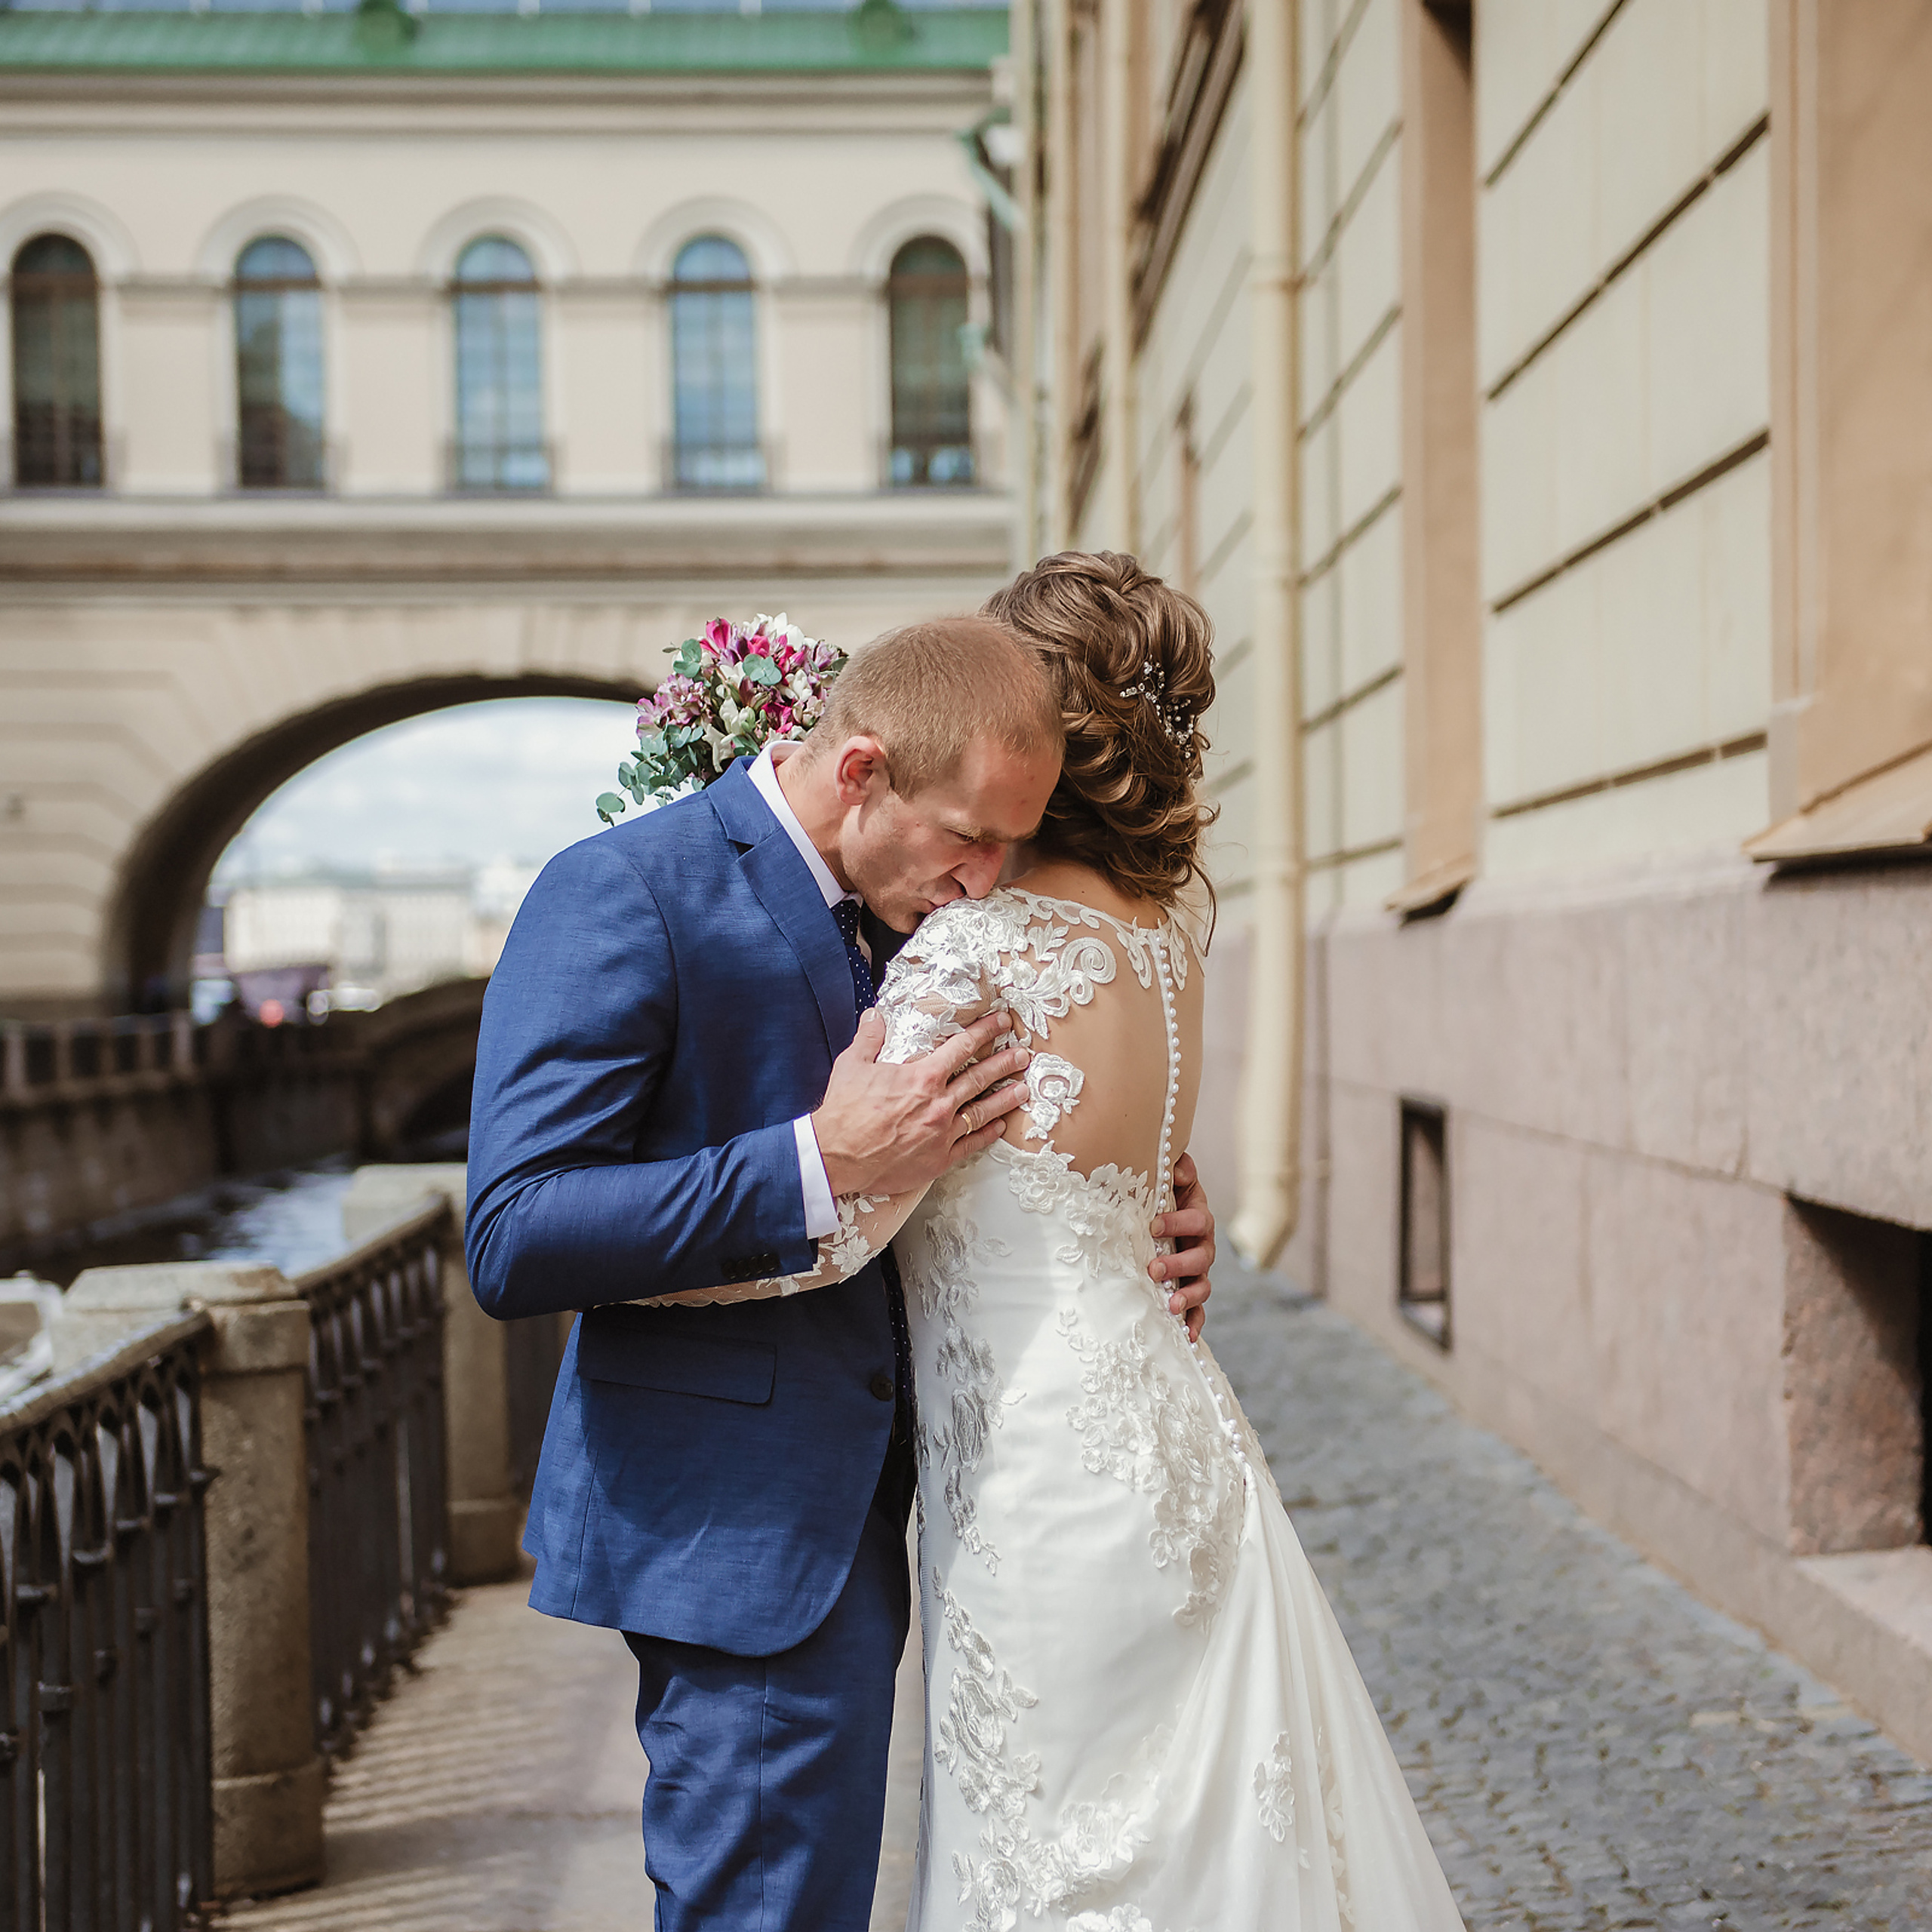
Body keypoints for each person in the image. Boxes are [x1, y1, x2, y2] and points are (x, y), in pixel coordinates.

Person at [650, 555, 1466, 1930]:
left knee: (1065, 1855)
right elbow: (1123, 1177)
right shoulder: (1165, 947)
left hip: (1041, 1475)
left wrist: (629, 1279)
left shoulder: (980, 954)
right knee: (1206, 1849)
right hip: (1178, 1435)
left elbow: (835, 1226)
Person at [463, 613, 1220, 1932]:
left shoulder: (920, 897)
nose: (987, 881)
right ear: (860, 769)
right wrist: (816, 1161)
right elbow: (515, 1231)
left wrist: (1138, 1206)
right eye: (968, 840)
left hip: (954, 1507)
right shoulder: (625, 890)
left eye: (1010, 845)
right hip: (743, 1521)